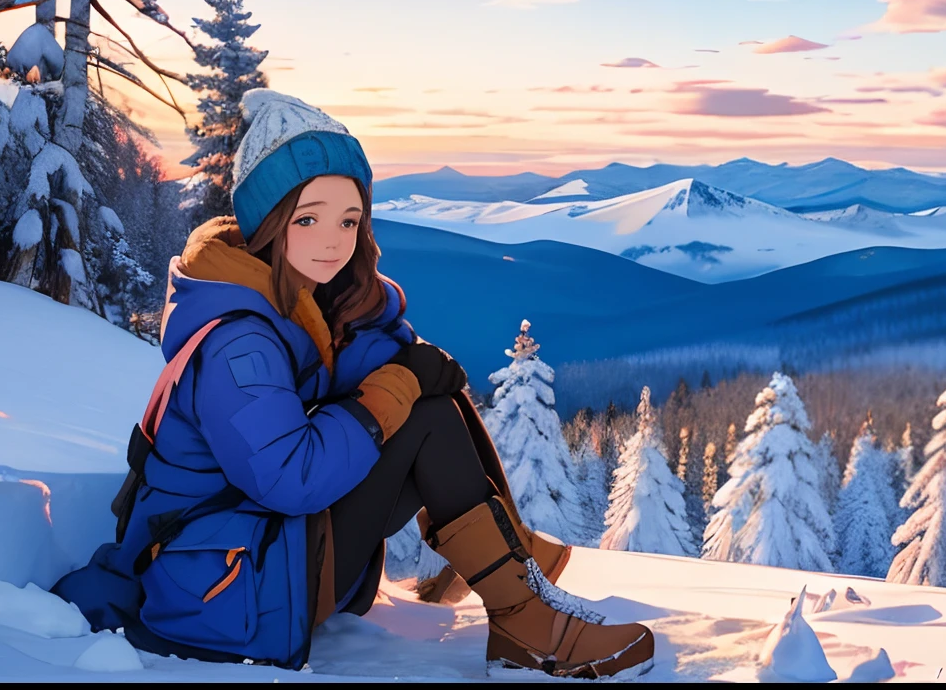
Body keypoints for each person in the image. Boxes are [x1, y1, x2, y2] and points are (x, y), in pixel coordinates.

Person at [52, 90, 654, 679]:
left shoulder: (289, 301)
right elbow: (293, 478)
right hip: (224, 589)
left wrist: (382, 335)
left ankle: (507, 582)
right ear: (270, 223)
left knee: (429, 400)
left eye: (349, 220)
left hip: (251, 552)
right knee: (423, 416)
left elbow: (356, 368)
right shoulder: (239, 341)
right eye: (308, 219)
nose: (334, 240)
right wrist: (396, 386)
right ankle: (521, 613)